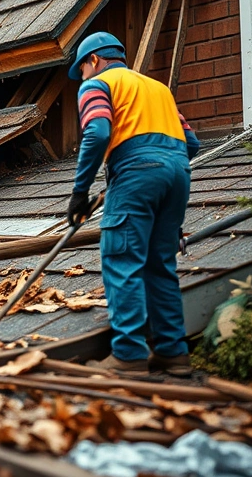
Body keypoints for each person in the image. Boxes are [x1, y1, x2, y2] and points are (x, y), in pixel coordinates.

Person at [67, 32, 200, 377]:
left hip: (137, 172)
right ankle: (173, 353)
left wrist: (80, 192)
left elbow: (97, 132)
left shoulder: (97, 84)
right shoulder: (159, 90)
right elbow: (192, 142)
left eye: (81, 69)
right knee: (160, 264)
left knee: (122, 258)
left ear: (93, 60)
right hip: (177, 173)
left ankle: (128, 355)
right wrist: (160, 168)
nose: (81, 77)